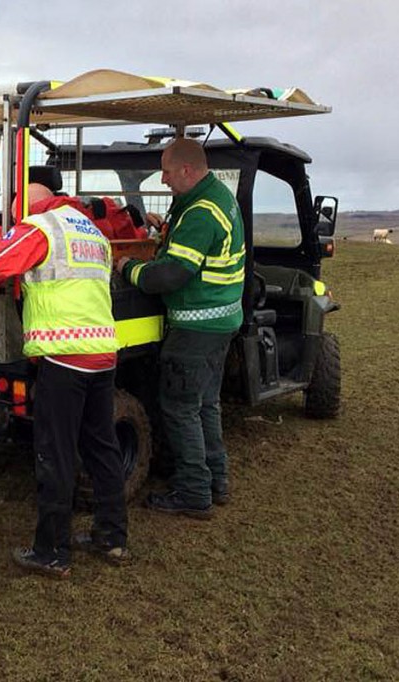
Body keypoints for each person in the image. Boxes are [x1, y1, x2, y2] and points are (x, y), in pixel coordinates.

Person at [0, 183, 129, 579]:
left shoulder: (41, 228)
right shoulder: (91, 230)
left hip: (65, 357)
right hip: (102, 353)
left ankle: (52, 552)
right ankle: (111, 537)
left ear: (27, 208)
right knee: (101, 447)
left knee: (54, 453)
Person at [117, 138, 245, 519]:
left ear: (187, 170)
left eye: (167, 172)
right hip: (220, 322)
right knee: (205, 404)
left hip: (197, 327)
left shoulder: (201, 212)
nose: (163, 180)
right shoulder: (212, 198)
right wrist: (165, 233)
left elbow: (172, 274)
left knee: (179, 407)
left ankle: (193, 492)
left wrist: (128, 269)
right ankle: (216, 480)